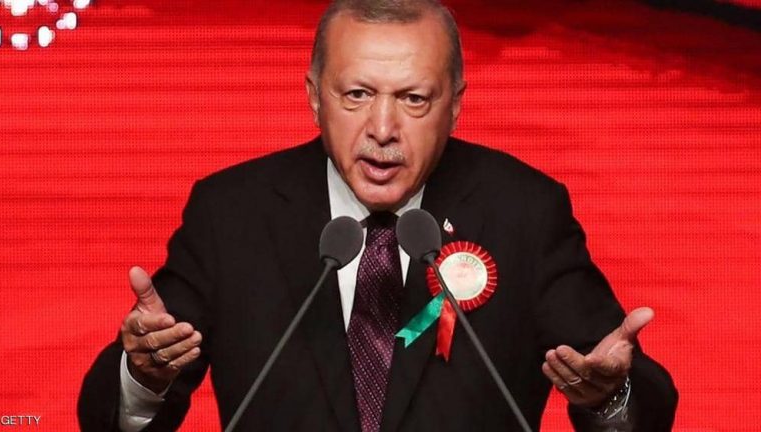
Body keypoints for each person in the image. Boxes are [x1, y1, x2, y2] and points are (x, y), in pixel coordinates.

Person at [78, 1, 678, 431]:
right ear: (314, 96)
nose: (383, 129)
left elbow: (631, 392)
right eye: (357, 95)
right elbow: (112, 415)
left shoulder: (524, 210)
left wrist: (609, 397)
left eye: (413, 99)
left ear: (455, 106)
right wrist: (143, 376)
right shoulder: (230, 212)